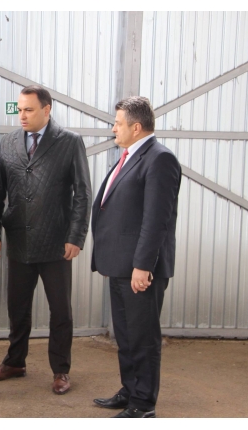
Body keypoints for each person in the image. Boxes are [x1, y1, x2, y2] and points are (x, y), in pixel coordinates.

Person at [0, 85, 92, 395]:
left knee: (61, 311)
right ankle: (15, 362)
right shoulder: (9, 142)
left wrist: (75, 237)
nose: (22, 115)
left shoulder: (69, 142)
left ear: (47, 110)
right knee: (17, 308)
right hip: (18, 240)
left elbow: (82, 193)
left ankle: (61, 370)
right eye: (19, 109)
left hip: (56, 243)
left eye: (28, 110)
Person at [91, 96, 181, 418]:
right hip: (120, 265)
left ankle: (143, 404)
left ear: (136, 127)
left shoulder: (159, 159)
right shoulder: (130, 156)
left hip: (140, 269)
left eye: (118, 123)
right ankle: (130, 390)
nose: (113, 129)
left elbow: (156, 220)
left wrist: (142, 266)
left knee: (142, 337)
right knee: (127, 335)